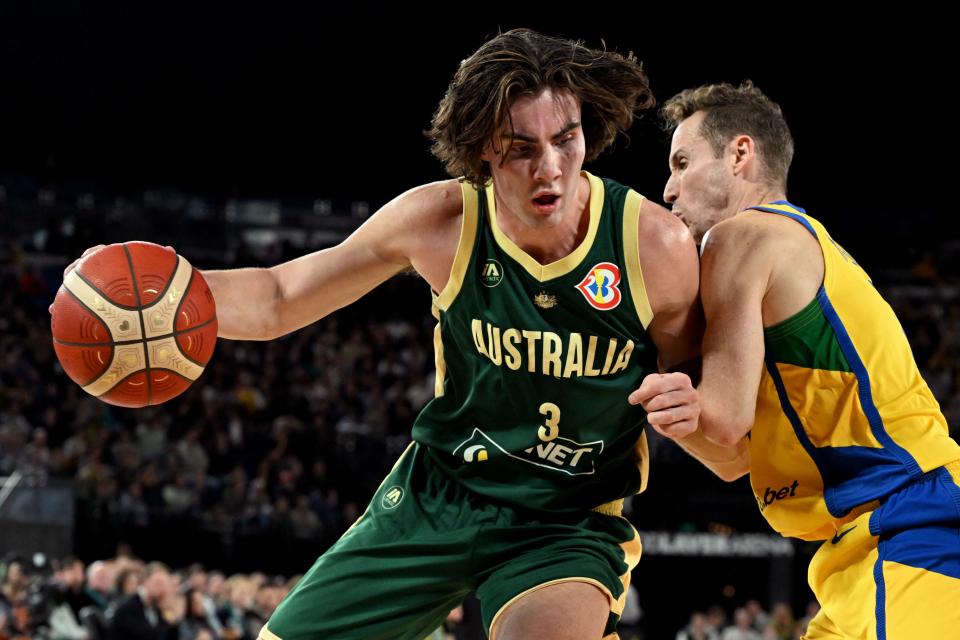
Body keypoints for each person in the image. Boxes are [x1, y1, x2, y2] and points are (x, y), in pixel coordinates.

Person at [62, 28, 706, 639]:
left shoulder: (652, 244)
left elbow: (708, 415)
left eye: (566, 140)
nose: (551, 168)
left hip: (565, 516)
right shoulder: (441, 220)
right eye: (521, 148)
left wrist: (698, 410)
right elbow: (283, 296)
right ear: (482, 148)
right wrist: (166, 300)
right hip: (441, 492)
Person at [634, 81, 960, 639]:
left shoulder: (741, 237)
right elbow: (734, 457)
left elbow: (726, 417)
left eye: (682, 162)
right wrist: (666, 409)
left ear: (740, 154)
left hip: (913, 528)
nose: (668, 188)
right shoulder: (793, 249)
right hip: (856, 547)